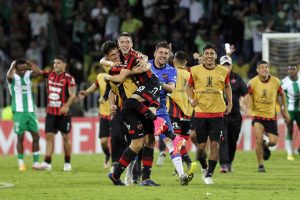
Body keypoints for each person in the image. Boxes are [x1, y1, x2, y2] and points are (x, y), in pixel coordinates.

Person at [186, 44, 233, 184]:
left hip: (217, 114)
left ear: (215, 56)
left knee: (214, 145)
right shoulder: (194, 70)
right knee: (201, 148)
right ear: (203, 55)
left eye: (212, 53)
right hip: (200, 113)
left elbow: (227, 86)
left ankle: (209, 175)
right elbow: (188, 87)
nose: (209, 56)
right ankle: (204, 168)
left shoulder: (223, 71)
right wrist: (190, 99)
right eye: (207, 53)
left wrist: (230, 103)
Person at [245, 60, 290, 172]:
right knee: (258, 140)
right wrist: (250, 108)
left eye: (266, 67)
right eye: (262, 67)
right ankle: (261, 165)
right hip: (258, 116)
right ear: (257, 70)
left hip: (271, 116)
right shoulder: (252, 82)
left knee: (274, 141)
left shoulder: (276, 81)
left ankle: (266, 146)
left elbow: (282, 95)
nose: (265, 69)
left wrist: (285, 110)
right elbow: (248, 96)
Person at [40, 55, 76, 172]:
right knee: (49, 136)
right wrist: (28, 64)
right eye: (54, 63)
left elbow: (73, 95)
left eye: (58, 63)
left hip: (64, 114)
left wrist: (66, 106)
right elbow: (38, 71)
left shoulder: (69, 78)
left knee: (65, 138)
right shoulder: (50, 75)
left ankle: (67, 162)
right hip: (51, 112)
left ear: (64, 64)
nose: (55, 65)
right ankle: (47, 162)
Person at [6, 59, 42, 171]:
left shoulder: (28, 74)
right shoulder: (12, 77)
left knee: (36, 136)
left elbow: (39, 72)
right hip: (19, 111)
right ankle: (21, 163)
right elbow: (8, 76)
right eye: (19, 64)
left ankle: (36, 163)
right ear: (16, 66)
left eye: (23, 64)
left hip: (30, 111)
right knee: (20, 137)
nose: (22, 66)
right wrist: (12, 65)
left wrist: (29, 63)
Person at [167, 51, 198, 178]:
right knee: (181, 142)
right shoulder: (190, 74)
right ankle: (179, 167)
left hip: (174, 110)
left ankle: (189, 163)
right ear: (185, 62)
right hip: (188, 112)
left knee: (175, 141)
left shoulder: (171, 72)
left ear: (174, 61)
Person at [78, 64, 112, 168]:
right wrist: (86, 92)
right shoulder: (100, 77)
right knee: (103, 141)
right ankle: (107, 155)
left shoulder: (121, 76)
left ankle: (118, 163)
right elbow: (95, 86)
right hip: (104, 113)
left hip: (117, 114)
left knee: (118, 140)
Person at [218, 55, 248, 172]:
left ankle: (229, 162)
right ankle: (224, 164)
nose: (226, 67)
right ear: (220, 65)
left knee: (232, 140)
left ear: (231, 66)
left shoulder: (237, 78)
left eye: (228, 64)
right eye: (224, 64)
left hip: (235, 115)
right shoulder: (216, 78)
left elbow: (246, 93)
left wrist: (247, 107)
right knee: (223, 139)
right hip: (221, 115)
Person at [281, 65, 300, 161]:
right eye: (290, 69)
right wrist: (281, 109)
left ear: (297, 70)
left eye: (293, 69)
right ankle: (289, 153)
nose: (291, 71)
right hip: (290, 110)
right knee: (290, 129)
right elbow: (278, 95)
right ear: (287, 71)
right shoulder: (284, 82)